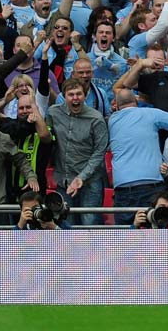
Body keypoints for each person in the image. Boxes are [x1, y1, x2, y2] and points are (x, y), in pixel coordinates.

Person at [108, 88, 168, 225]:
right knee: (156, 237)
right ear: (136, 101)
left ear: (116, 105)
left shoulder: (112, 120)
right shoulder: (151, 114)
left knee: (124, 239)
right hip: (151, 186)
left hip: (123, 189)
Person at [47, 77, 109, 226]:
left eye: (79, 94)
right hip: (64, 180)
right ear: (64, 96)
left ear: (85, 95)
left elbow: (100, 152)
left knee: (90, 224)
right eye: (71, 94)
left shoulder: (96, 118)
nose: (75, 98)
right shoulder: (53, 113)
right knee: (66, 224)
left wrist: (82, 177)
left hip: (90, 181)